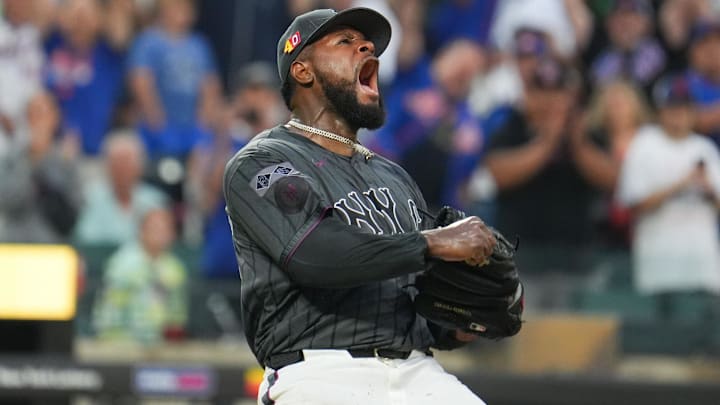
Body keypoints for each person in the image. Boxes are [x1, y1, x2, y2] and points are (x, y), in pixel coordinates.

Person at [223, 8, 497, 405]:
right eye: (345, 42)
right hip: (320, 371)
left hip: (418, 371)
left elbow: (413, 298)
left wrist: (459, 324)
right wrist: (433, 243)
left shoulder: (395, 178)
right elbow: (317, 254)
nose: (367, 47)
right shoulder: (262, 162)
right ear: (303, 71)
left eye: (366, 43)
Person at [617, 74, 720, 301]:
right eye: (673, 107)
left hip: (702, 268)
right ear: (660, 111)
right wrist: (681, 184)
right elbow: (634, 204)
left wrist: (708, 189)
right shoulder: (644, 145)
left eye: (685, 107)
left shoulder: (705, 149)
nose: (679, 114)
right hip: (658, 268)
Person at [93, 207, 188, 343]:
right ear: (141, 231)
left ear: (172, 234)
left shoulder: (176, 270)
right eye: (154, 228)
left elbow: (178, 319)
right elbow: (108, 318)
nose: (160, 234)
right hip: (121, 344)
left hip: (163, 350)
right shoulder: (121, 266)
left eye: (164, 229)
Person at [73, 131, 167, 245]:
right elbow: (86, 238)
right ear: (107, 167)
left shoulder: (155, 201)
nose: (123, 170)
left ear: (139, 167)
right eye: (117, 164)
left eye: (127, 163)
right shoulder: (91, 197)